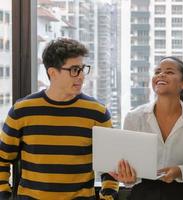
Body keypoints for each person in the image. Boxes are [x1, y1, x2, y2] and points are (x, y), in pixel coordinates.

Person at [0, 38, 119, 199]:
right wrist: (3, 195)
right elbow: (2, 158)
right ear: (53, 73)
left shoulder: (97, 113)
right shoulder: (22, 111)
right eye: (75, 70)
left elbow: (110, 164)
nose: (81, 76)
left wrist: (108, 196)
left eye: (83, 69)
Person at [110, 56, 183, 200]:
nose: (161, 75)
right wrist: (127, 179)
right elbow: (127, 165)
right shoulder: (134, 117)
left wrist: (179, 171)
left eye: (169, 72)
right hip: (141, 194)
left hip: (179, 195)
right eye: (157, 71)